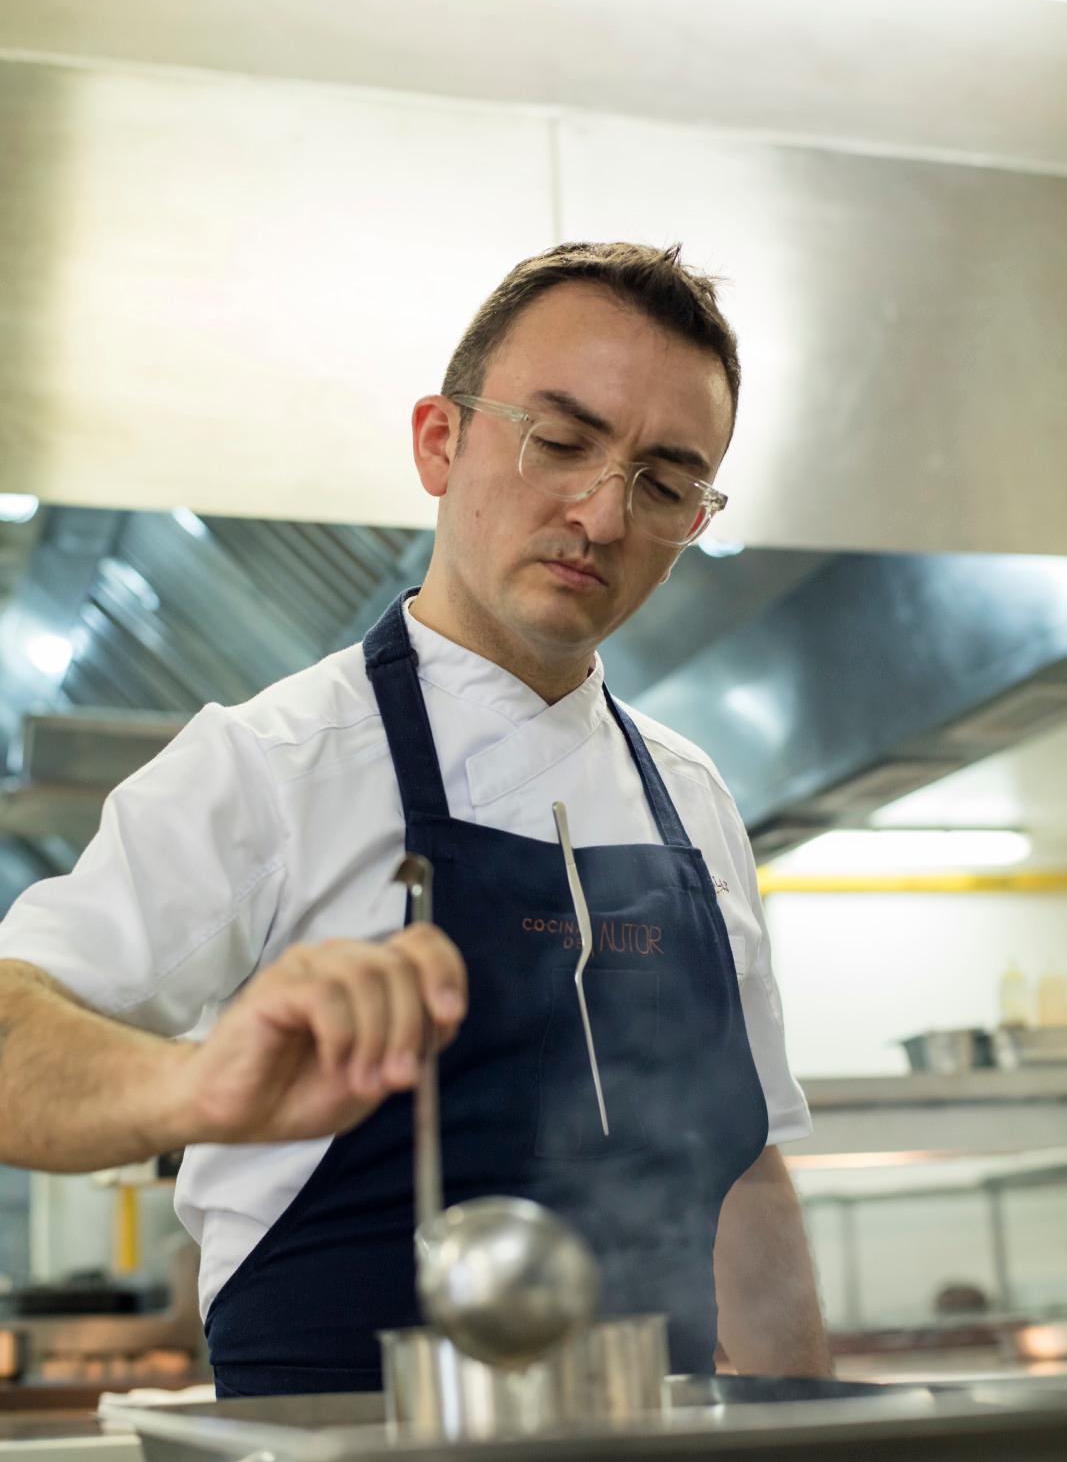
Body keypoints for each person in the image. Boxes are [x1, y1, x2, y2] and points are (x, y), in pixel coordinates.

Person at [0, 242, 831, 1395]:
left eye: (663, 481)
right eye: (560, 439)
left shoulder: (688, 798)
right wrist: (196, 1091)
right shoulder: (268, 767)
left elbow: (744, 1178)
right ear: (440, 441)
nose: (599, 513)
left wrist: (805, 1453)